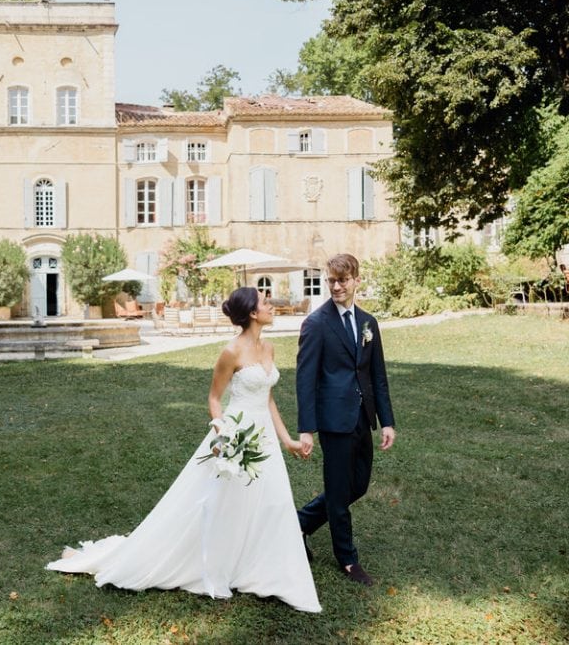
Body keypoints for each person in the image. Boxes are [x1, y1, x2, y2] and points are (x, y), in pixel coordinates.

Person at [46, 287, 321, 612]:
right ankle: (204, 560)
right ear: (251, 312)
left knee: (271, 501)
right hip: (235, 434)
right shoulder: (231, 352)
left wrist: (287, 440)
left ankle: (264, 568)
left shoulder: (269, 347)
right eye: (265, 302)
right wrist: (224, 436)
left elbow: (268, 398)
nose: (271, 305)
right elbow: (215, 399)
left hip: (265, 440)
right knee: (223, 504)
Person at [296, 254, 396, 586]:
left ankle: (300, 522)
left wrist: (386, 420)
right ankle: (348, 559)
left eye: (343, 280)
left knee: (358, 485)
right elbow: (305, 380)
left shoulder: (368, 323)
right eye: (332, 281)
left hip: (362, 417)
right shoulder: (316, 323)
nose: (336, 286)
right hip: (333, 419)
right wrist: (307, 428)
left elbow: (377, 375)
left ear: (356, 281)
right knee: (339, 491)